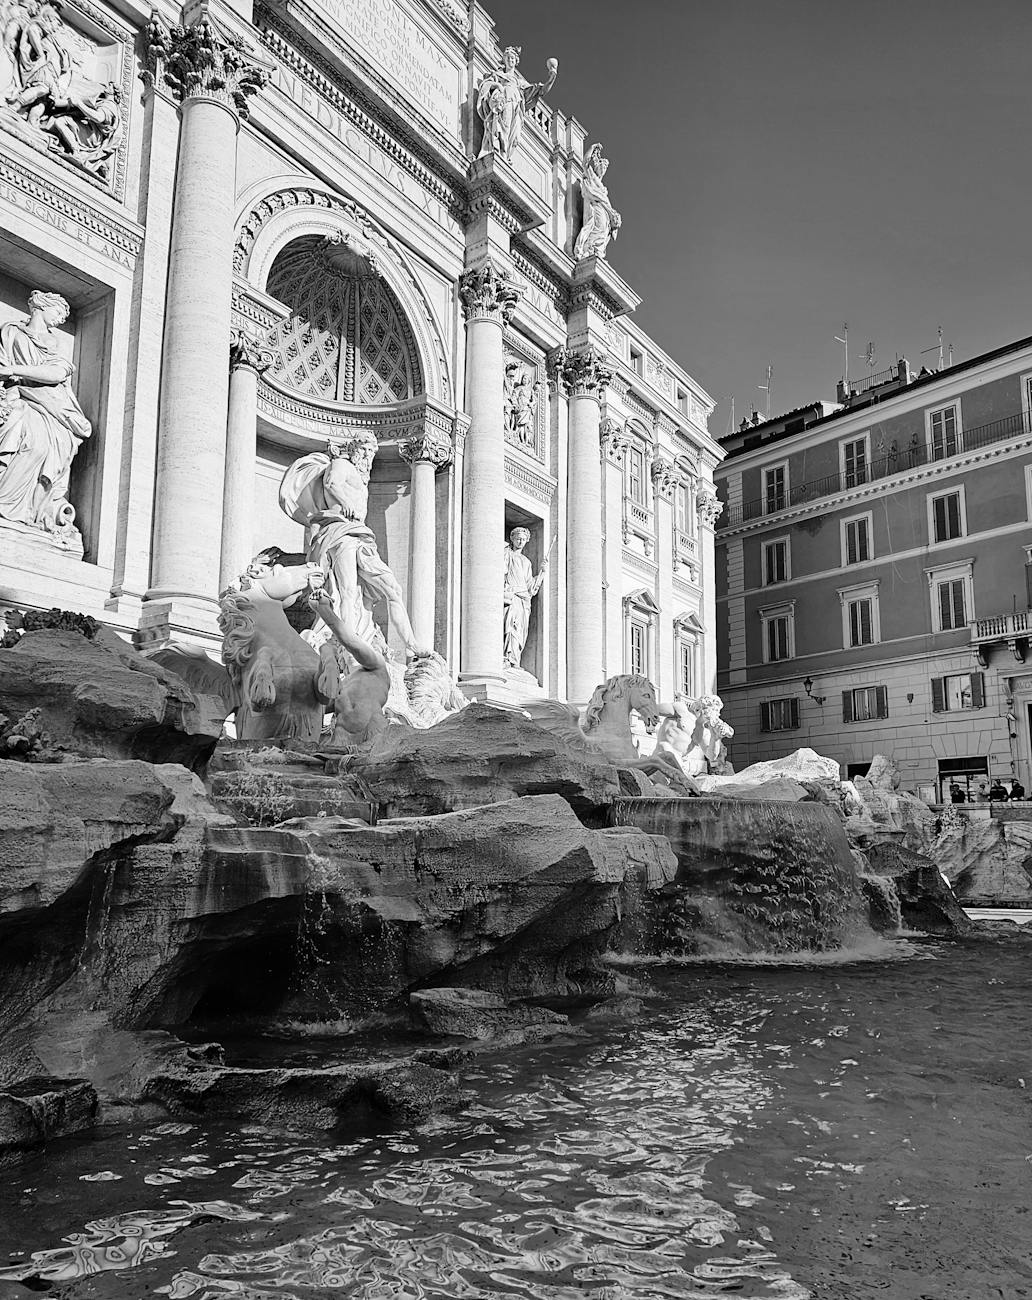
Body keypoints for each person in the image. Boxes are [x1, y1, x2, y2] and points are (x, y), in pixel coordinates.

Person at [279, 432, 427, 660]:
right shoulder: (341, 464)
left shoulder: (360, 476)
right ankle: (347, 644)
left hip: (360, 536)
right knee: (347, 590)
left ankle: (411, 644)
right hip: (340, 532)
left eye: (371, 451)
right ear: (354, 449)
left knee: (393, 588)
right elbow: (331, 483)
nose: (368, 455)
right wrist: (344, 501)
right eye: (364, 449)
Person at [0, 289, 91, 534]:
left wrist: (14, 370)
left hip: (50, 404)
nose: (61, 319)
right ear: (41, 307)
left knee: (45, 446)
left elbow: (57, 373)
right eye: (58, 312)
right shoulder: (10, 331)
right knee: (21, 435)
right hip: (17, 397)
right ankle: (8, 508)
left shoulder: (55, 343)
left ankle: (24, 511)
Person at [306, 587, 390, 748]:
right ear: (341, 658)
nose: (350, 651)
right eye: (344, 650)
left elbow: (351, 642)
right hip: (341, 738)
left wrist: (325, 611)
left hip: (373, 730)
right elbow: (316, 707)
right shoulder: (340, 684)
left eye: (350, 648)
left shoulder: (376, 666)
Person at [476, 45, 558, 161]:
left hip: (516, 108)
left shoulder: (519, 83)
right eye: (508, 58)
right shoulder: (497, 75)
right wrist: (498, 85)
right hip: (505, 103)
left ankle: (505, 156)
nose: (510, 60)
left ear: (516, 61)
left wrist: (551, 78)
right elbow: (485, 85)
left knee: (514, 138)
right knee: (503, 130)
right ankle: (500, 153)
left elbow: (541, 91)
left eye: (513, 58)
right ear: (504, 60)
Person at [502, 527, 547, 669]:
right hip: (512, 595)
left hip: (523, 599)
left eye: (523, 539)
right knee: (511, 627)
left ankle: (515, 659)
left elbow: (530, 587)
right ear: (512, 539)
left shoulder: (527, 562)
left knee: (520, 630)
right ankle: (507, 658)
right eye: (518, 539)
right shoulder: (507, 554)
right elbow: (501, 572)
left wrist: (542, 573)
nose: (520, 542)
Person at [573, 143, 622, 261]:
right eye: (601, 166)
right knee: (595, 229)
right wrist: (592, 148)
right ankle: (587, 250)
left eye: (604, 168)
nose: (603, 169)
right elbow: (585, 163)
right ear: (596, 167)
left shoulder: (603, 188)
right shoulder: (591, 176)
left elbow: (606, 203)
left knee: (602, 232)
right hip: (597, 208)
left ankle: (595, 251)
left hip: (605, 212)